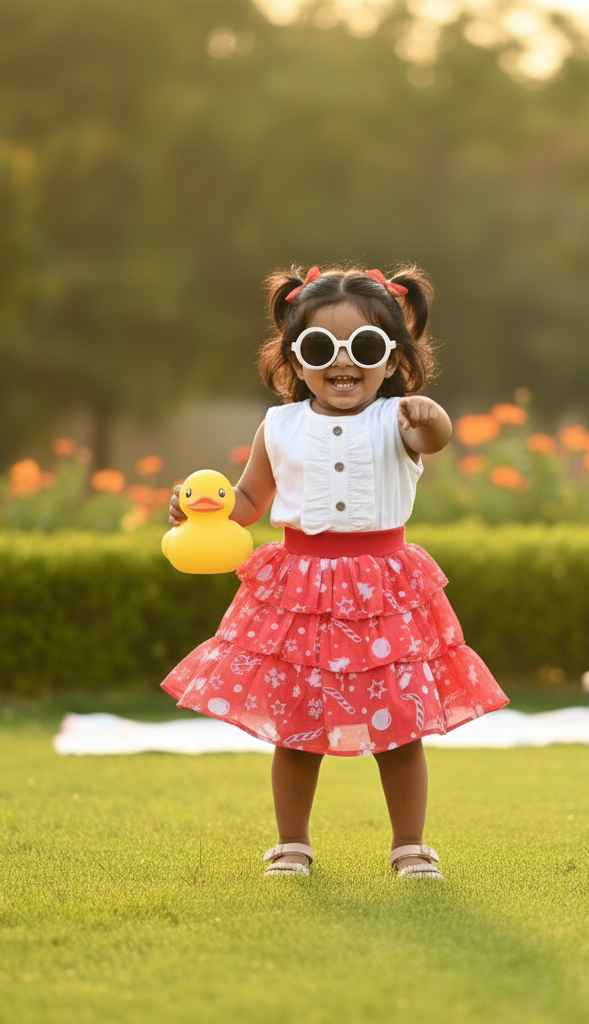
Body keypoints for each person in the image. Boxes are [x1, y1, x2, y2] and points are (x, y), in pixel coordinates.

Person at [161, 264, 508, 879]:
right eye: (322, 347)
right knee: (294, 728)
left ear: (394, 358)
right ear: (295, 360)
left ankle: (410, 846)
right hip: (301, 588)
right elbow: (248, 502)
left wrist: (430, 416)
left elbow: (437, 439)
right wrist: (203, 508)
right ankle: (292, 844)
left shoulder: (401, 419)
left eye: (365, 348)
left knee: (399, 728)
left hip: (383, 589)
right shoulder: (280, 426)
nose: (343, 362)